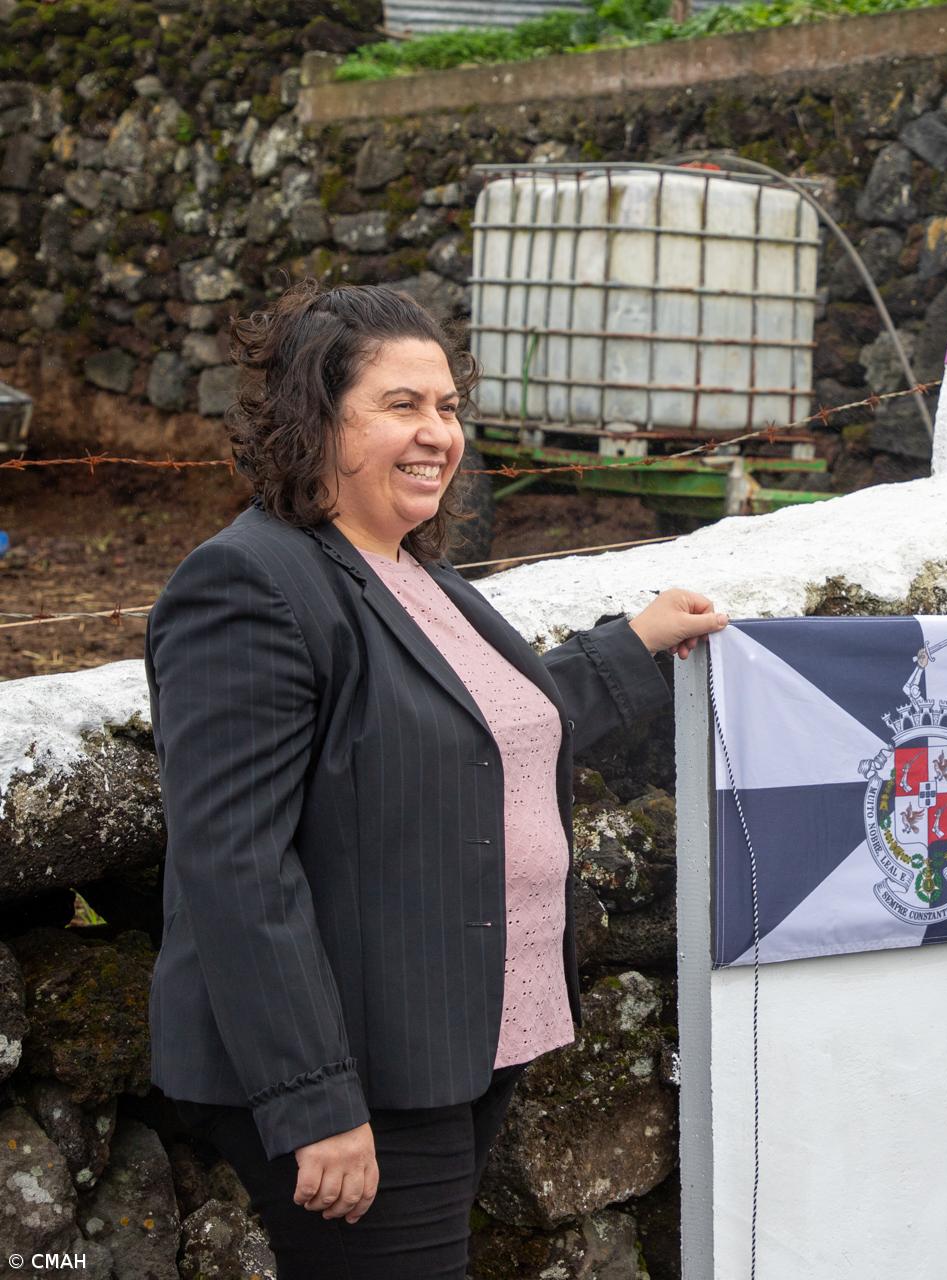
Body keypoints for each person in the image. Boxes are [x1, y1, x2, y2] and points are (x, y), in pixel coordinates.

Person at [145, 281, 727, 1279]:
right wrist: (316, 1097)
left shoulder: (419, 575)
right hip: (362, 1071)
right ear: (314, 418)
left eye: (450, 407)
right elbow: (235, 862)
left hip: (452, 1044)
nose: (438, 433)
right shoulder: (249, 584)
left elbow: (480, 735)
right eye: (401, 405)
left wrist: (632, 647)